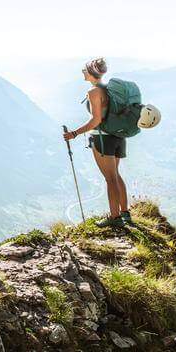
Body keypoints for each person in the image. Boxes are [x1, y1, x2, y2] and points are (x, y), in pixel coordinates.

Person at [63, 57, 131, 227]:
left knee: (110, 179)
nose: (82, 72)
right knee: (115, 175)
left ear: (90, 72)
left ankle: (114, 218)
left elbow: (96, 120)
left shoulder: (94, 92)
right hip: (118, 136)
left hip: (103, 138)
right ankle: (125, 213)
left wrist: (74, 133)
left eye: (84, 70)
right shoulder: (109, 89)